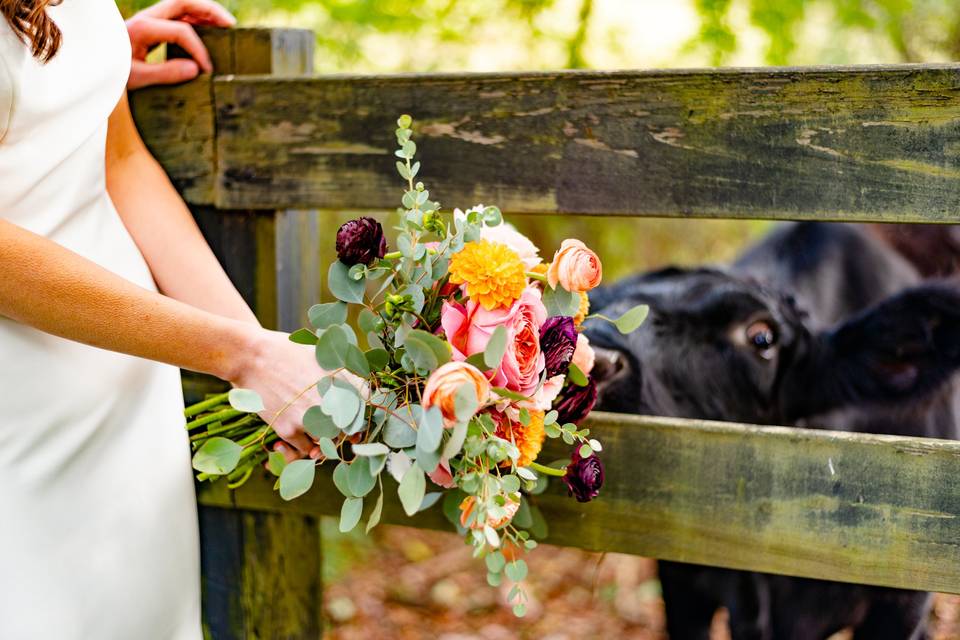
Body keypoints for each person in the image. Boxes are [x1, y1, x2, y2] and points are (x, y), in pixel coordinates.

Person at [0, 1, 320, 637]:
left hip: (132, 414)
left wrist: (267, 364)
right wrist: (242, 356)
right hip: (22, 435)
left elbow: (121, 164)